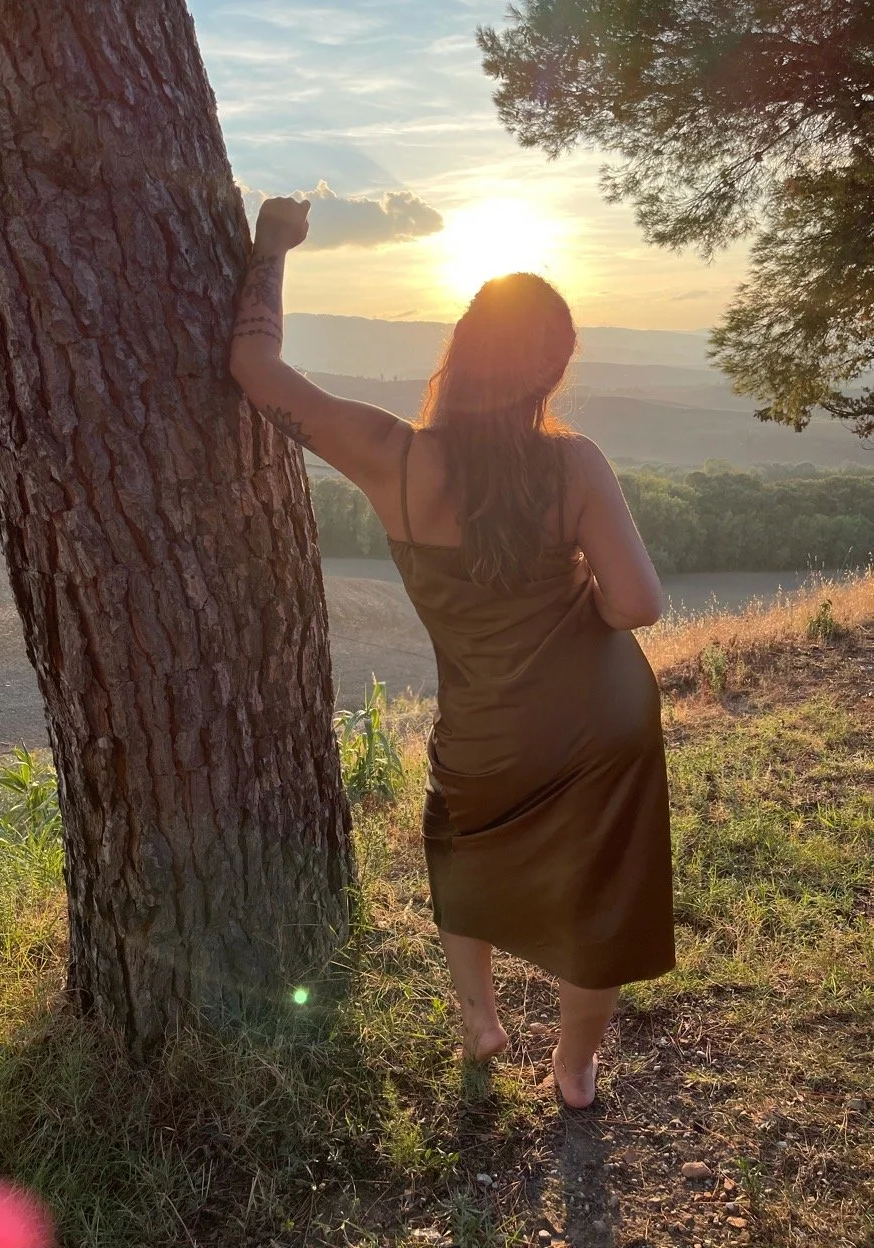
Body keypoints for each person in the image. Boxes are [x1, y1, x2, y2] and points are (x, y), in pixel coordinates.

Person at [229, 196, 675, 1110]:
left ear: (460, 348)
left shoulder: (393, 458)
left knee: (458, 843)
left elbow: (253, 364)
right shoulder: (575, 463)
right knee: (597, 899)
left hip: (485, 726)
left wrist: (271, 247)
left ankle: (480, 1021)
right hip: (602, 726)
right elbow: (638, 604)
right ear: (553, 369)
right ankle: (574, 1070)